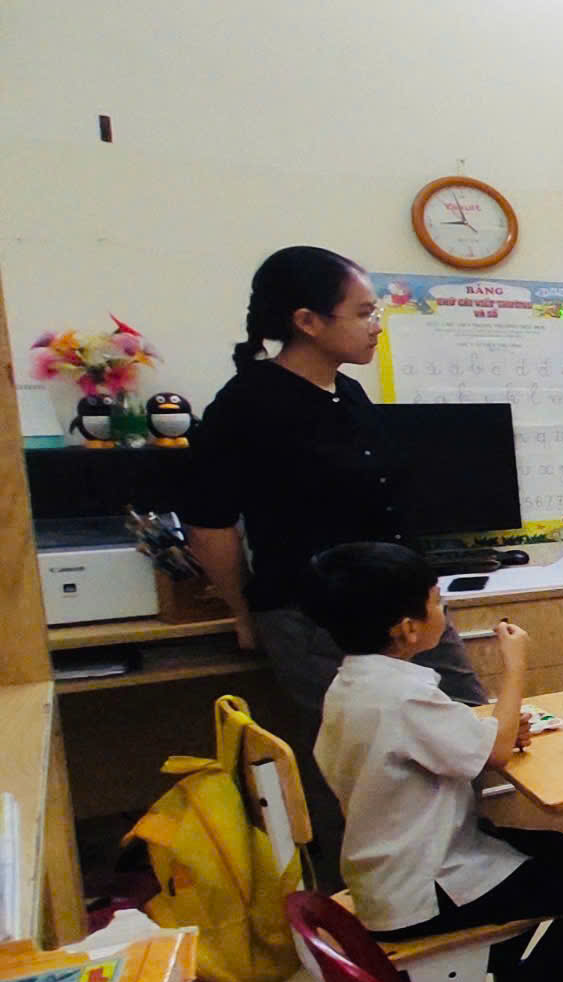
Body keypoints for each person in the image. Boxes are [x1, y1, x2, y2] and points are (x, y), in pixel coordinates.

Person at [184, 246, 485, 888]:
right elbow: (210, 525)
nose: (376, 323)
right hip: (319, 618)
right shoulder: (249, 405)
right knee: (365, 768)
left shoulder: (345, 392)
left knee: (471, 729)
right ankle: (377, 905)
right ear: (308, 321)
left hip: (406, 600)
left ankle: (472, 878)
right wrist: (242, 614)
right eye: (364, 311)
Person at [308, 543, 563, 982]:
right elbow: (493, 751)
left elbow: (455, 741)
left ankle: (498, 976)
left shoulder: (353, 685)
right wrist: (514, 666)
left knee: (552, 848)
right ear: (407, 629)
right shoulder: (404, 696)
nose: (443, 611)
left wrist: (497, 733)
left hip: (384, 872)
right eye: (436, 602)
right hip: (418, 893)